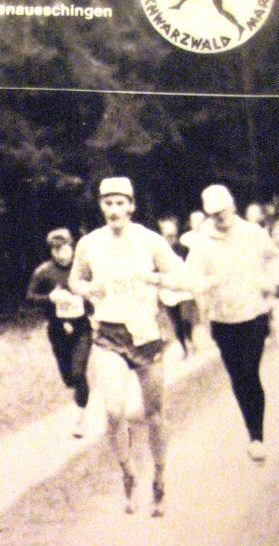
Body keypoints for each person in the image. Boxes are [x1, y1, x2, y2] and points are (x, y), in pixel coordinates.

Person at [69, 177, 188, 516]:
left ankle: (160, 477)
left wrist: (158, 279)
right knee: (113, 411)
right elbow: (76, 279)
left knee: (154, 414)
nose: (114, 209)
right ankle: (128, 474)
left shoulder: (150, 241)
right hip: (108, 334)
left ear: (131, 206)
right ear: (101, 207)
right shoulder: (89, 244)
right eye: (108, 203)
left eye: (121, 203)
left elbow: (179, 276)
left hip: (147, 335)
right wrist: (86, 290)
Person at [185, 184, 279, 462]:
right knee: (238, 378)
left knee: (249, 372)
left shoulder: (253, 233)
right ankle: (252, 431)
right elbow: (192, 277)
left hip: (254, 314)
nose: (219, 218)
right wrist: (206, 285)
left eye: (223, 211)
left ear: (233, 206)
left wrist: (271, 282)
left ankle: (257, 436)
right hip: (222, 319)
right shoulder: (202, 241)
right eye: (213, 214)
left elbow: (274, 257)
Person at [26, 227, 93, 437]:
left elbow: (99, 291)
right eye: (55, 250)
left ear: (72, 247)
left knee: (78, 373)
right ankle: (77, 394)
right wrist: (49, 298)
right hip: (57, 331)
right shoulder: (44, 272)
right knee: (69, 379)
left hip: (82, 329)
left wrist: (88, 302)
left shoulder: (83, 269)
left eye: (63, 248)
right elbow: (29, 297)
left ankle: (80, 419)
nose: (60, 253)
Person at [157, 216, 194, 357]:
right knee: (175, 322)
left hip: (183, 290)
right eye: (168, 236)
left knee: (185, 318)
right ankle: (184, 347)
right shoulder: (158, 252)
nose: (171, 239)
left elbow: (191, 267)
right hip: (168, 293)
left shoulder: (184, 249)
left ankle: (190, 339)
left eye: (173, 235)